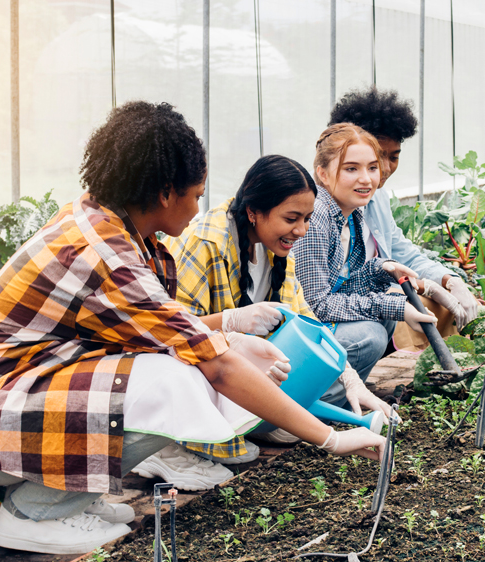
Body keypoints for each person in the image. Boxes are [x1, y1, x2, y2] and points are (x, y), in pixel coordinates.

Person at [0, 102, 384, 555]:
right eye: (196, 193)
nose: (201, 206)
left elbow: (168, 330)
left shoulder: (108, 224)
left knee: (174, 366)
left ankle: (68, 501)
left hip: (10, 399)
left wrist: (231, 334)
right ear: (166, 193)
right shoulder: (108, 255)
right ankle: (34, 512)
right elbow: (213, 365)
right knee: (177, 379)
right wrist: (330, 438)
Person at [148, 154, 393, 479]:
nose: (302, 230)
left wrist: (350, 378)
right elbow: (163, 335)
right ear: (253, 212)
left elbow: (305, 319)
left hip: (232, 366)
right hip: (189, 367)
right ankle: (168, 446)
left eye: (307, 218)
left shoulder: (272, 248)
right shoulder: (206, 242)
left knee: (321, 352)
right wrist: (230, 321)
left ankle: (260, 420)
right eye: (292, 218)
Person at [294, 123, 439, 398]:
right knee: (370, 336)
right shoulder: (316, 218)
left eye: (372, 168)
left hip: (314, 317)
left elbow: (345, 286)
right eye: (351, 169)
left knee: (382, 320)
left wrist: (381, 269)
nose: (367, 179)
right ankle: (313, 404)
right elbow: (316, 305)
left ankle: (348, 392)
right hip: (294, 331)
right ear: (322, 174)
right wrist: (396, 306)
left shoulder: (350, 211)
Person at [328, 87, 480, 348]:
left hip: (380, 300)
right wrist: (406, 292)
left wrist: (449, 280)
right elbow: (327, 295)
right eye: (378, 156)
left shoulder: (378, 199)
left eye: (394, 157)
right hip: (346, 314)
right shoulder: (321, 211)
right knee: (381, 332)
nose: (386, 168)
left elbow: (402, 252)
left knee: (456, 311)